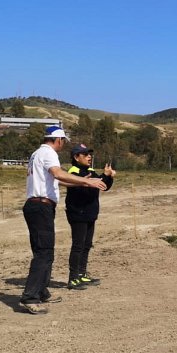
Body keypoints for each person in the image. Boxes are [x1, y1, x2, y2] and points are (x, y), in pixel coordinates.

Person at [20, 126, 106, 315]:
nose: (63, 145)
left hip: (37, 206)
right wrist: (86, 181)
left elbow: (57, 180)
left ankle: (41, 291)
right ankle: (30, 297)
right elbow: (58, 174)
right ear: (58, 140)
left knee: (45, 252)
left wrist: (78, 183)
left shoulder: (37, 153)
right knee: (43, 253)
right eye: (63, 141)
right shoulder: (49, 153)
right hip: (40, 206)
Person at [64, 143, 115, 290]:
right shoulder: (73, 172)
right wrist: (89, 182)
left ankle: (82, 274)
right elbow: (82, 189)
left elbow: (103, 186)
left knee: (86, 245)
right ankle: (73, 278)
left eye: (89, 154)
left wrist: (108, 176)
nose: (89, 157)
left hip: (90, 214)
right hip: (78, 213)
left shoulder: (90, 171)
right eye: (85, 154)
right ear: (76, 157)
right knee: (78, 246)